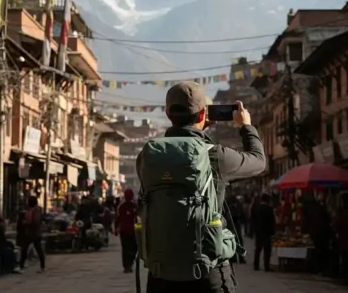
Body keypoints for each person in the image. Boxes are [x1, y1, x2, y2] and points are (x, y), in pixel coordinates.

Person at [137, 82, 266, 293]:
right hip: (208, 273)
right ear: (203, 115)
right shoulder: (215, 156)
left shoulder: (147, 157)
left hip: (161, 274)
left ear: (169, 114)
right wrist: (246, 126)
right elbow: (258, 161)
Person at [19, 196, 46, 273]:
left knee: (33, 249)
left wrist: (26, 223)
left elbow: (35, 222)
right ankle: (22, 265)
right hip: (32, 233)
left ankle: (22, 265)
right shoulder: (31, 210)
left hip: (34, 233)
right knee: (27, 248)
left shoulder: (35, 211)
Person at [115, 189, 138, 273]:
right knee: (133, 248)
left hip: (124, 231)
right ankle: (129, 265)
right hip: (131, 231)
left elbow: (117, 218)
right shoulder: (134, 206)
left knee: (126, 249)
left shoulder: (122, 206)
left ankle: (127, 265)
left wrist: (116, 228)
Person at [251, 193, 275, 272]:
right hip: (267, 232)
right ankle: (266, 266)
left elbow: (253, 220)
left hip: (258, 232)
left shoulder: (257, 208)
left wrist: (253, 230)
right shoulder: (269, 209)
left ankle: (256, 265)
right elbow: (272, 221)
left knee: (258, 249)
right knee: (267, 250)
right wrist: (272, 232)